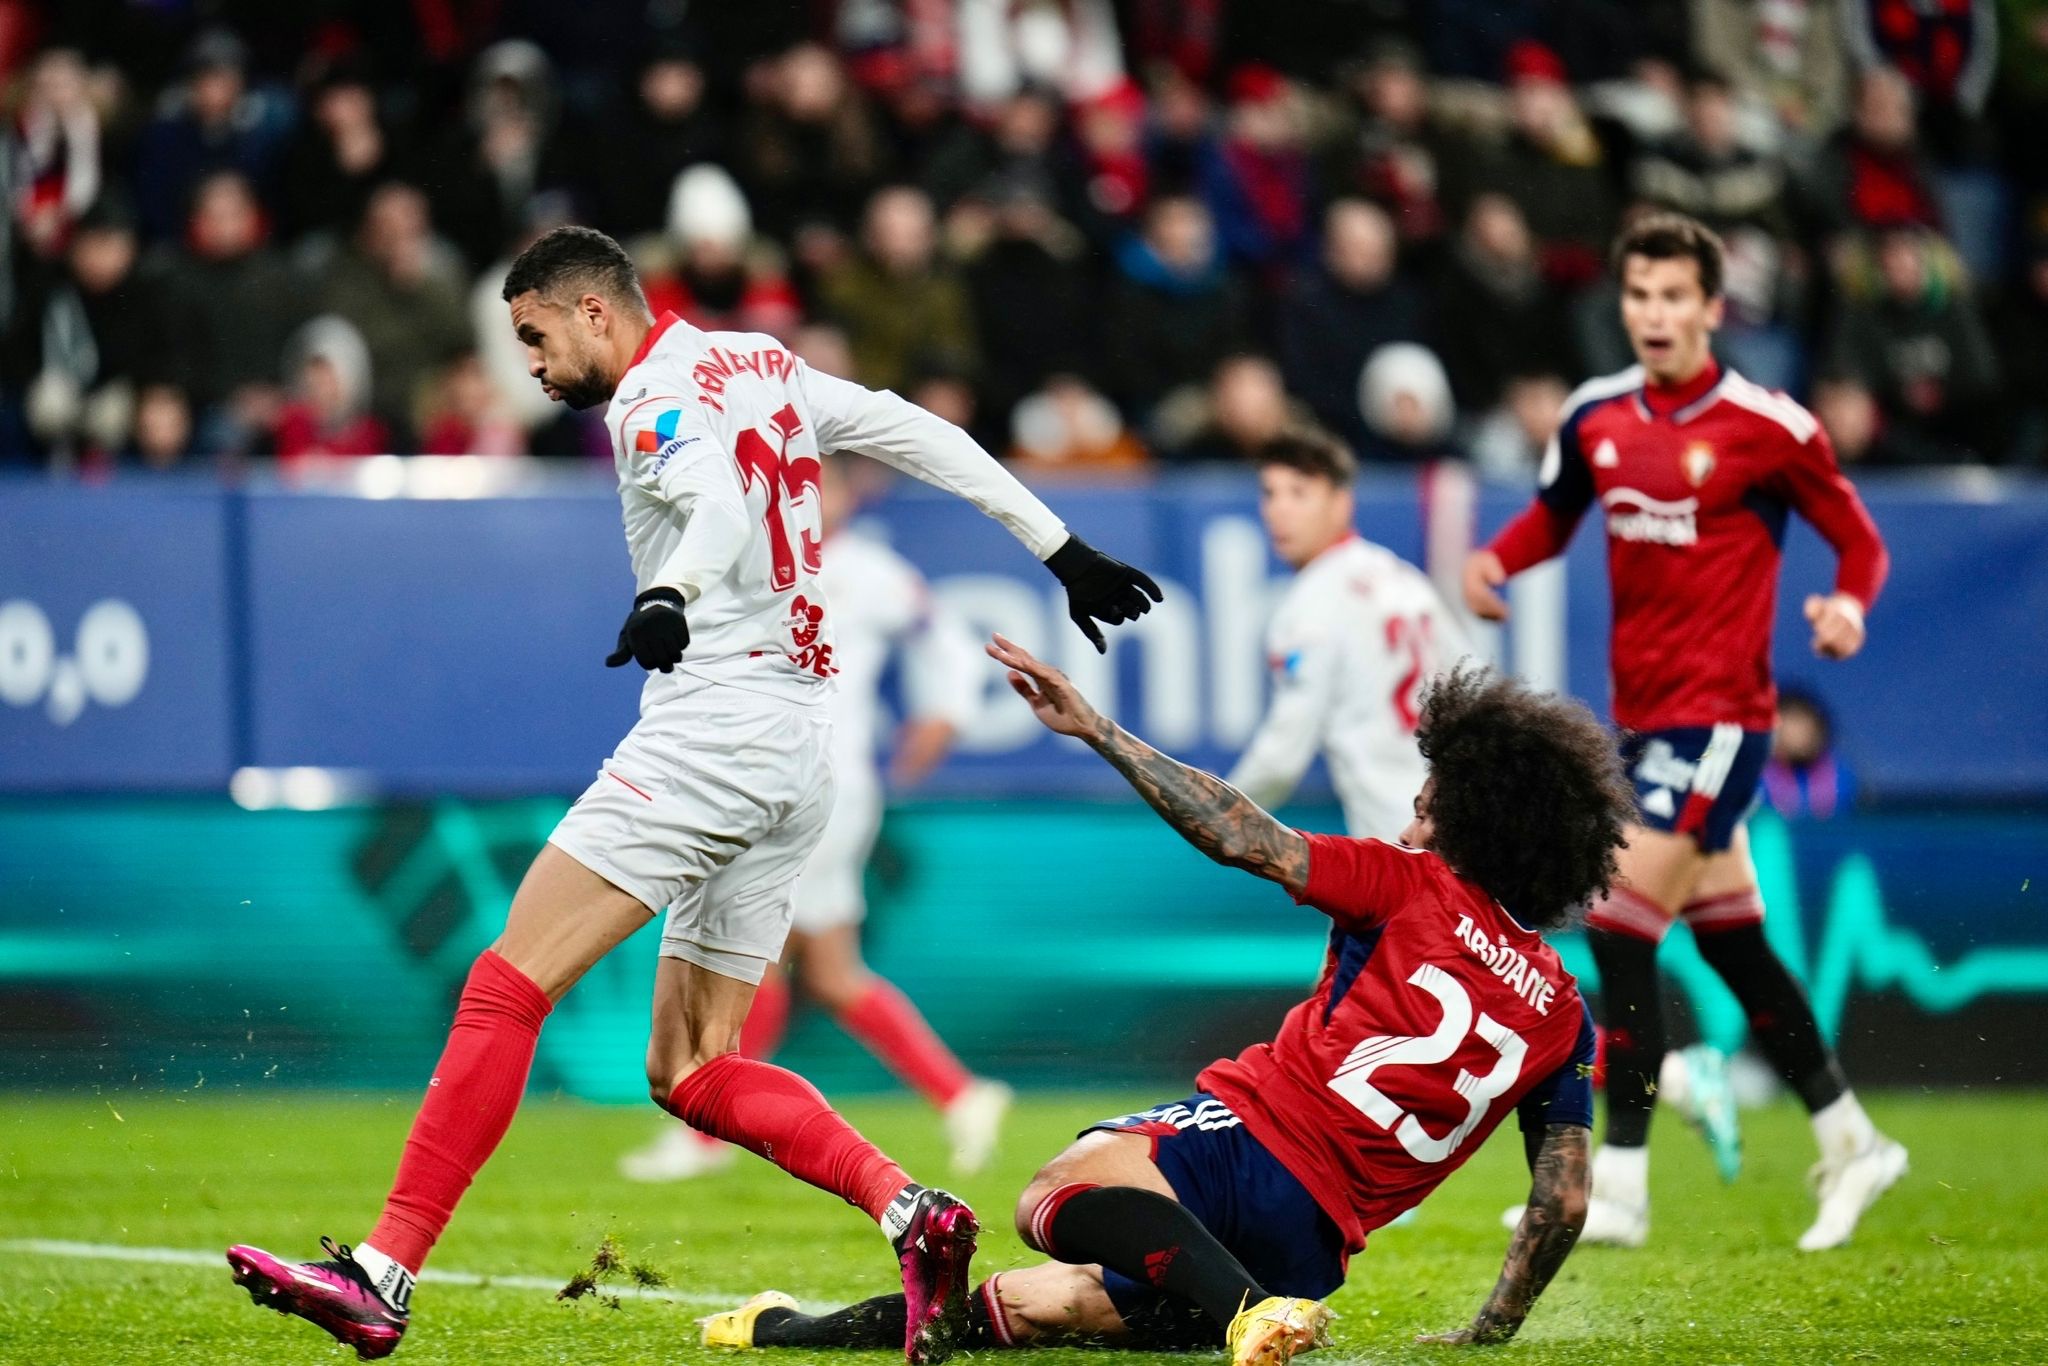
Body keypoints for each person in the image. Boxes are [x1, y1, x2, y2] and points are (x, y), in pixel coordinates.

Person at [224, 225, 1162, 1363]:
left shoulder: (647, 402)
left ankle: (382, 1272)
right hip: (803, 754)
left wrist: (668, 589)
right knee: (689, 1066)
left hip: (714, 730)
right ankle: (910, 1211)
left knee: (505, 982)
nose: (528, 360)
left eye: (532, 334)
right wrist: (1059, 545)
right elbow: (917, 430)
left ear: (594, 312)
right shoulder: (763, 362)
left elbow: (713, 498)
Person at [701, 643, 1635, 1362]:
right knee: (1041, 1303)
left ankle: (1243, 1313)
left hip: (1248, 1147)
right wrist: (1491, 1334)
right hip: (1312, 1248)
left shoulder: (1407, 883)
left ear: (1465, 818)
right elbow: (1562, 1198)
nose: (1412, 810)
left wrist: (1101, 731)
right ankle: (780, 1331)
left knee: (1056, 1192)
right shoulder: (1561, 1011)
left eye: (1427, 799)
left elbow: (1241, 834)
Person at [1462, 211, 1903, 1251]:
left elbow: (1859, 541)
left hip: (1720, 719)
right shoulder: (1593, 416)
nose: (1653, 315)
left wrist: (1846, 607)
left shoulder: (1768, 425)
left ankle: (1617, 1181)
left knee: (1616, 924)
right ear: (1622, 304)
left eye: (1673, 297)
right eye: (1637, 296)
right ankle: (1851, 1139)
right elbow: (1553, 516)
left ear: (1711, 307)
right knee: (1736, 946)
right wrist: (1494, 562)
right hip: (1642, 720)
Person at [620, 451, 1012, 1182]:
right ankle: (961, 1094)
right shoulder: (751, 559)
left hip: (820, 785)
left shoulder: (866, 569)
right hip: (789, 781)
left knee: (746, 950)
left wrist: (944, 714)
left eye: (819, 481)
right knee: (830, 972)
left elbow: (945, 640)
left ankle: (704, 1131)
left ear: (843, 495)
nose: (806, 495)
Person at [1226, 428, 1470, 841]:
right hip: (1454, 820)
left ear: (1341, 503)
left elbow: (1282, 756)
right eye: (1271, 493)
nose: (1278, 509)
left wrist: (1216, 808)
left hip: (1395, 830)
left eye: (1299, 493)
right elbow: (1476, 687)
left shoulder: (1310, 603)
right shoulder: (1403, 578)